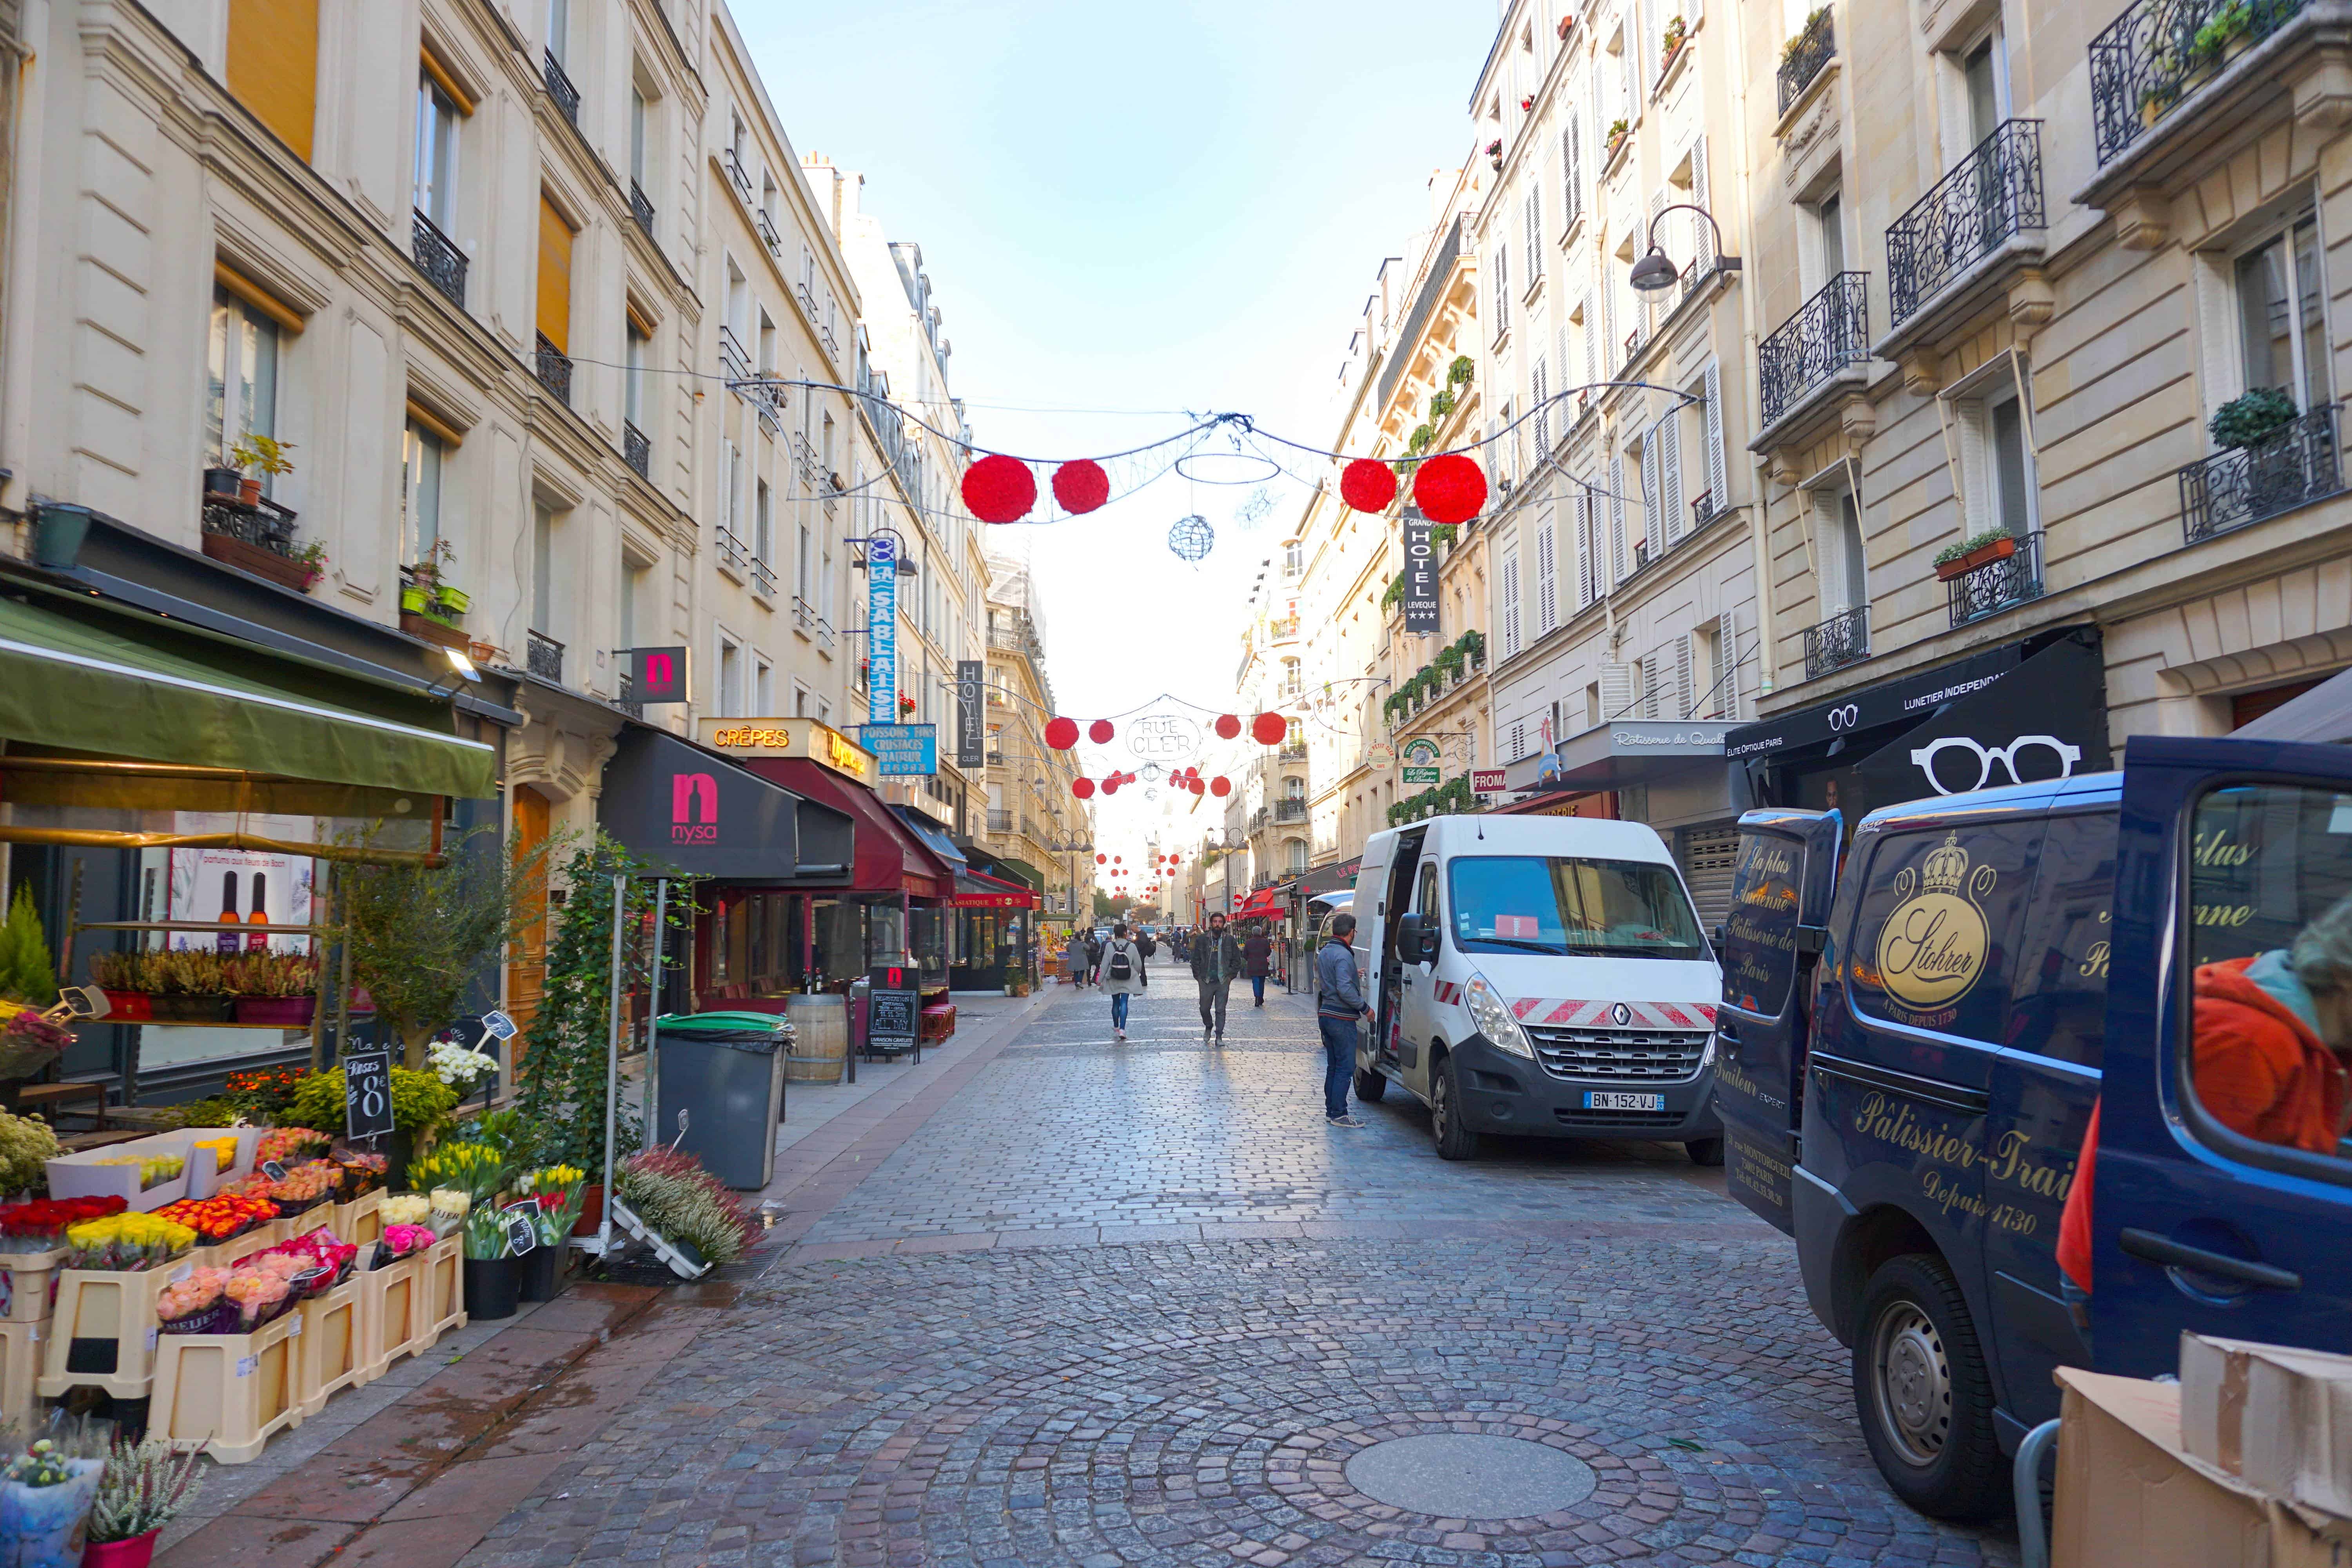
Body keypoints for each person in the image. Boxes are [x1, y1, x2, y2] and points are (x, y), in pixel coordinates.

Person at [1316, 912, 1372, 1127]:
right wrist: (1365, 1008)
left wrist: (1352, 973)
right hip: (1341, 1017)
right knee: (1346, 1068)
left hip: (1326, 1015)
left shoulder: (1327, 951)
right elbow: (1345, 989)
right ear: (1351, 933)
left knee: (1333, 1066)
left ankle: (1332, 1111)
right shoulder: (1343, 955)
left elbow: (1334, 977)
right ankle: (1340, 1114)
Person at [1191, 912, 1244, 1046]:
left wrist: (1230, 976)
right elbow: (1195, 959)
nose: (1217, 924)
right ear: (1211, 924)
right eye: (1215, 922)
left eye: (1220, 922)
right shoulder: (1202, 940)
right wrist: (1198, 976)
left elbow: (1237, 960)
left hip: (1222, 980)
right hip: (1206, 980)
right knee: (1204, 1008)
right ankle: (1208, 1025)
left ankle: (1219, 1036)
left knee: (1221, 1009)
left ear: (1224, 924)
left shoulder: (1229, 940)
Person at [1096, 921, 1146, 1041]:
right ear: (1125, 933)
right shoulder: (1132, 946)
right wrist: (1135, 973)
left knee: (1115, 1003)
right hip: (1128, 978)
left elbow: (1104, 965)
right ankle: (1123, 1030)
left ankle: (1116, 1026)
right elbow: (1138, 965)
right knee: (1124, 1002)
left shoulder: (1109, 946)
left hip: (1113, 977)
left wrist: (1100, 979)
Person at [1243, 923, 1272, 1007]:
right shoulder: (1265, 941)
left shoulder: (1248, 942)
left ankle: (1257, 997)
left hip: (1253, 965)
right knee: (1262, 982)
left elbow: (1245, 954)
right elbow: (1269, 952)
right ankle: (1260, 998)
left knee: (1255, 982)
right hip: (1263, 965)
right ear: (1260, 933)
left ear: (1253, 933)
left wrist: (1250, 959)